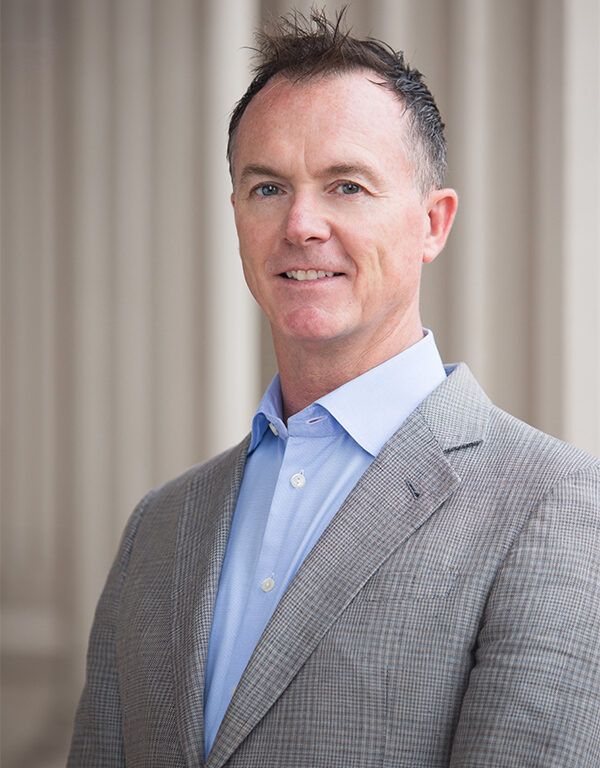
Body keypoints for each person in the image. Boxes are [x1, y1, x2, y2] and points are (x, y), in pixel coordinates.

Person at [68, 10, 600, 767]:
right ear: (237, 219)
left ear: (432, 224)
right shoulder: (158, 530)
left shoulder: (557, 508)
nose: (301, 224)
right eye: (267, 188)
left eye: (346, 186)